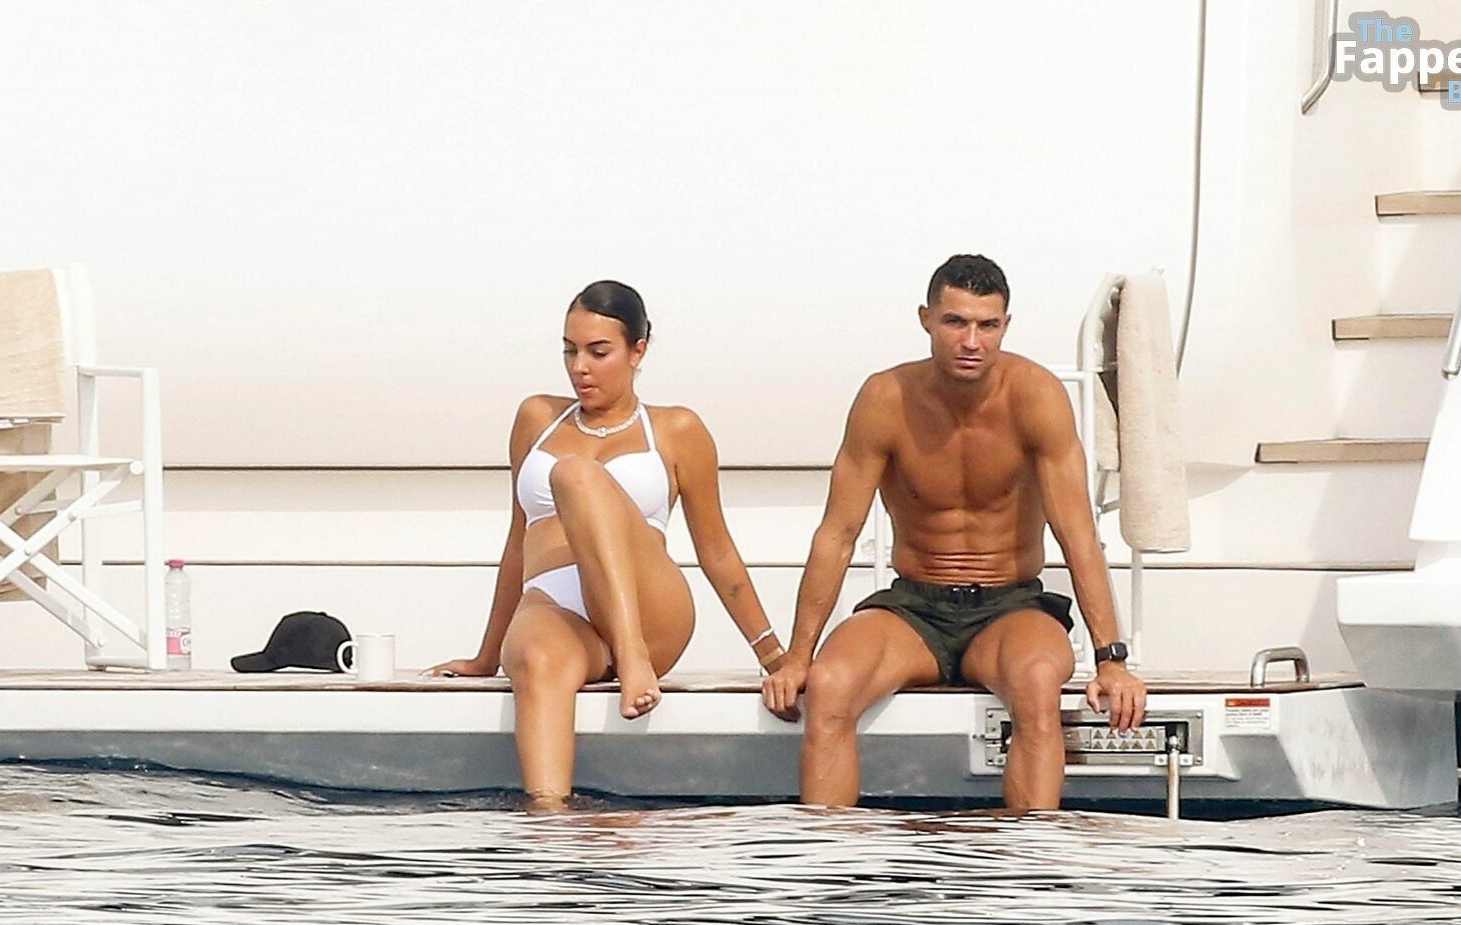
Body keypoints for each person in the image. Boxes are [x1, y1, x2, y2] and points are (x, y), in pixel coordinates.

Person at [761, 254, 1147, 810]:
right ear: (926, 319)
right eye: (955, 322)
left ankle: (1030, 855)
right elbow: (837, 533)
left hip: (1010, 607)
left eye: (987, 326)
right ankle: (830, 854)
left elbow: (1078, 534)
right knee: (829, 684)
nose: (971, 341)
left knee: (1039, 682)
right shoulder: (886, 398)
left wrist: (1112, 660)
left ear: (1006, 326)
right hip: (914, 610)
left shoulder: (1034, 395)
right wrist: (799, 655)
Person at [428, 281, 782, 812]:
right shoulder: (536, 419)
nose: (580, 369)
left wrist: (775, 657)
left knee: (576, 477)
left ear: (638, 351)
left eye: (598, 352)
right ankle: (550, 825)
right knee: (535, 659)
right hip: (558, 607)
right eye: (569, 351)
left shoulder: (676, 429)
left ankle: (630, 654)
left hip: (650, 611)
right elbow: (517, 541)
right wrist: (485, 657)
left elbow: (718, 552)